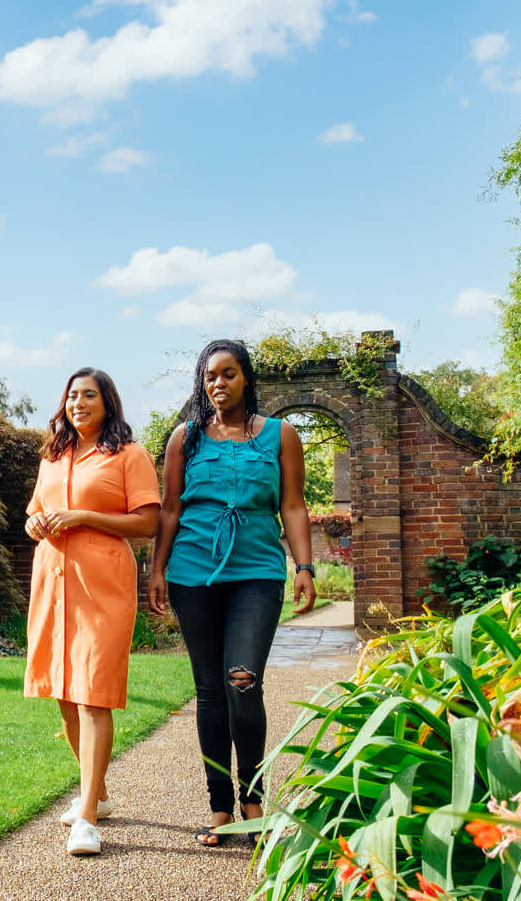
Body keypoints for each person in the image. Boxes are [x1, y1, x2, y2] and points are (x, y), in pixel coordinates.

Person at [147, 339, 315, 848]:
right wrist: (157, 569)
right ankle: (221, 806)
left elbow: (292, 504)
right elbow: (170, 509)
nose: (217, 384)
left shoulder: (280, 436)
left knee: (243, 680)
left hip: (257, 572)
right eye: (209, 377)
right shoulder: (186, 438)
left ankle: (254, 797)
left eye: (227, 374)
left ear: (247, 379)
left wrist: (304, 566)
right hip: (192, 573)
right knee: (210, 691)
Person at [23, 367, 162, 857]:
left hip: (103, 585)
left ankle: (86, 817)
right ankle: (97, 794)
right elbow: (32, 514)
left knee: (93, 695)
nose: (78, 403)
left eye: (89, 395)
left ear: (108, 403)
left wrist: (82, 516)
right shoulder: (53, 455)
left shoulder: (128, 455)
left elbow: (147, 521)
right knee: (63, 694)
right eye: (72, 396)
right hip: (53, 582)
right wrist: (36, 523)